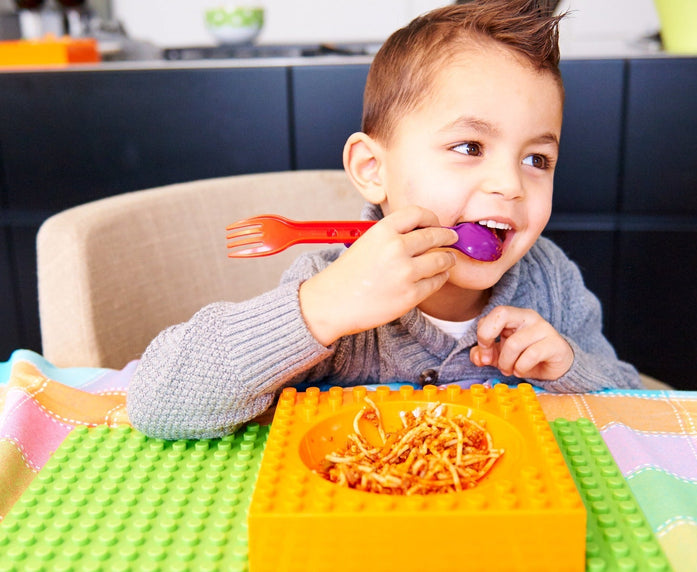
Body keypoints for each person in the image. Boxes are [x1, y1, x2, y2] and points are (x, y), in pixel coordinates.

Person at [127, 0, 642, 440]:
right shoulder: (333, 284)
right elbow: (156, 404)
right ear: (373, 170)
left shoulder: (552, 283)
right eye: (470, 146)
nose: (510, 185)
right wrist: (320, 311)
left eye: (537, 160)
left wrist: (568, 368)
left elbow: (633, 407)